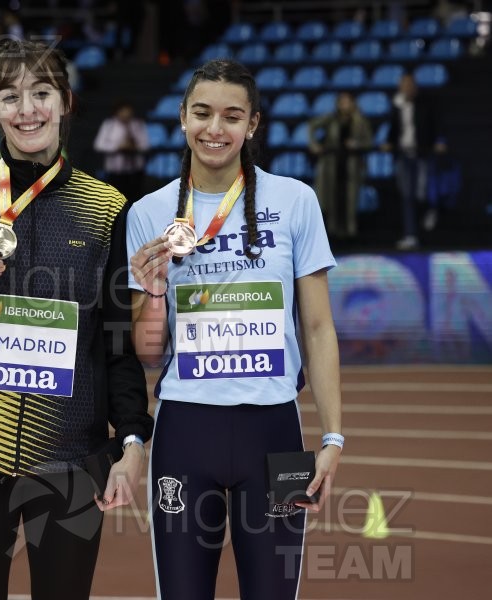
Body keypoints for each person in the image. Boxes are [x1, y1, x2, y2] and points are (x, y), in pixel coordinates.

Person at [0, 39, 154, 600]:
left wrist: (134, 439)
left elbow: (116, 341)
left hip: (72, 455)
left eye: (41, 93)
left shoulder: (107, 207)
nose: (28, 110)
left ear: (65, 102)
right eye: (10, 96)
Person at [126, 59, 343, 600]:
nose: (214, 129)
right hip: (183, 432)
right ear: (182, 118)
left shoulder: (295, 200)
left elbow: (317, 326)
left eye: (231, 116)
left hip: (276, 434)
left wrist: (334, 436)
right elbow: (148, 353)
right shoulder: (150, 213)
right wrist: (153, 292)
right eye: (202, 113)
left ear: (252, 124)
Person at [384, 72, 446, 250]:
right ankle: (411, 235)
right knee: (407, 196)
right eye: (403, 85)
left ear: (415, 87)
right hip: (404, 155)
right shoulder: (397, 105)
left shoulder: (426, 104)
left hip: (423, 154)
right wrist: (389, 143)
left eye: (410, 85)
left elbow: (436, 125)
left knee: (422, 193)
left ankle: (431, 214)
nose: (407, 88)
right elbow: (394, 128)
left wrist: (439, 142)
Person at [308, 91, 373, 239]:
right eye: (342, 102)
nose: (345, 105)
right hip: (332, 164)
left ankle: (351, 233)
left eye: (347, 101)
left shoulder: (360, 121)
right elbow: (312, 125)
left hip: (352, 165)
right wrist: (314, 144)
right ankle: (332, 233)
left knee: (350, 199)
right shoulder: (331, 119)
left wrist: (357, 144)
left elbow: (368, 142)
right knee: (331, 198)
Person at [93, 100, 150, 204]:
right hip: (115, 171)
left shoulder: (138, 124)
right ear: (117, 112)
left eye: (128, 111)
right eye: (123, 111)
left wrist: (134, 147)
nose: (126, 113)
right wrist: (118, 147)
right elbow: (99, 145)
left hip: (135, 171)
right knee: (115, 200)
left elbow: (145, 145)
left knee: (135, 199)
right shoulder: (109, 125)